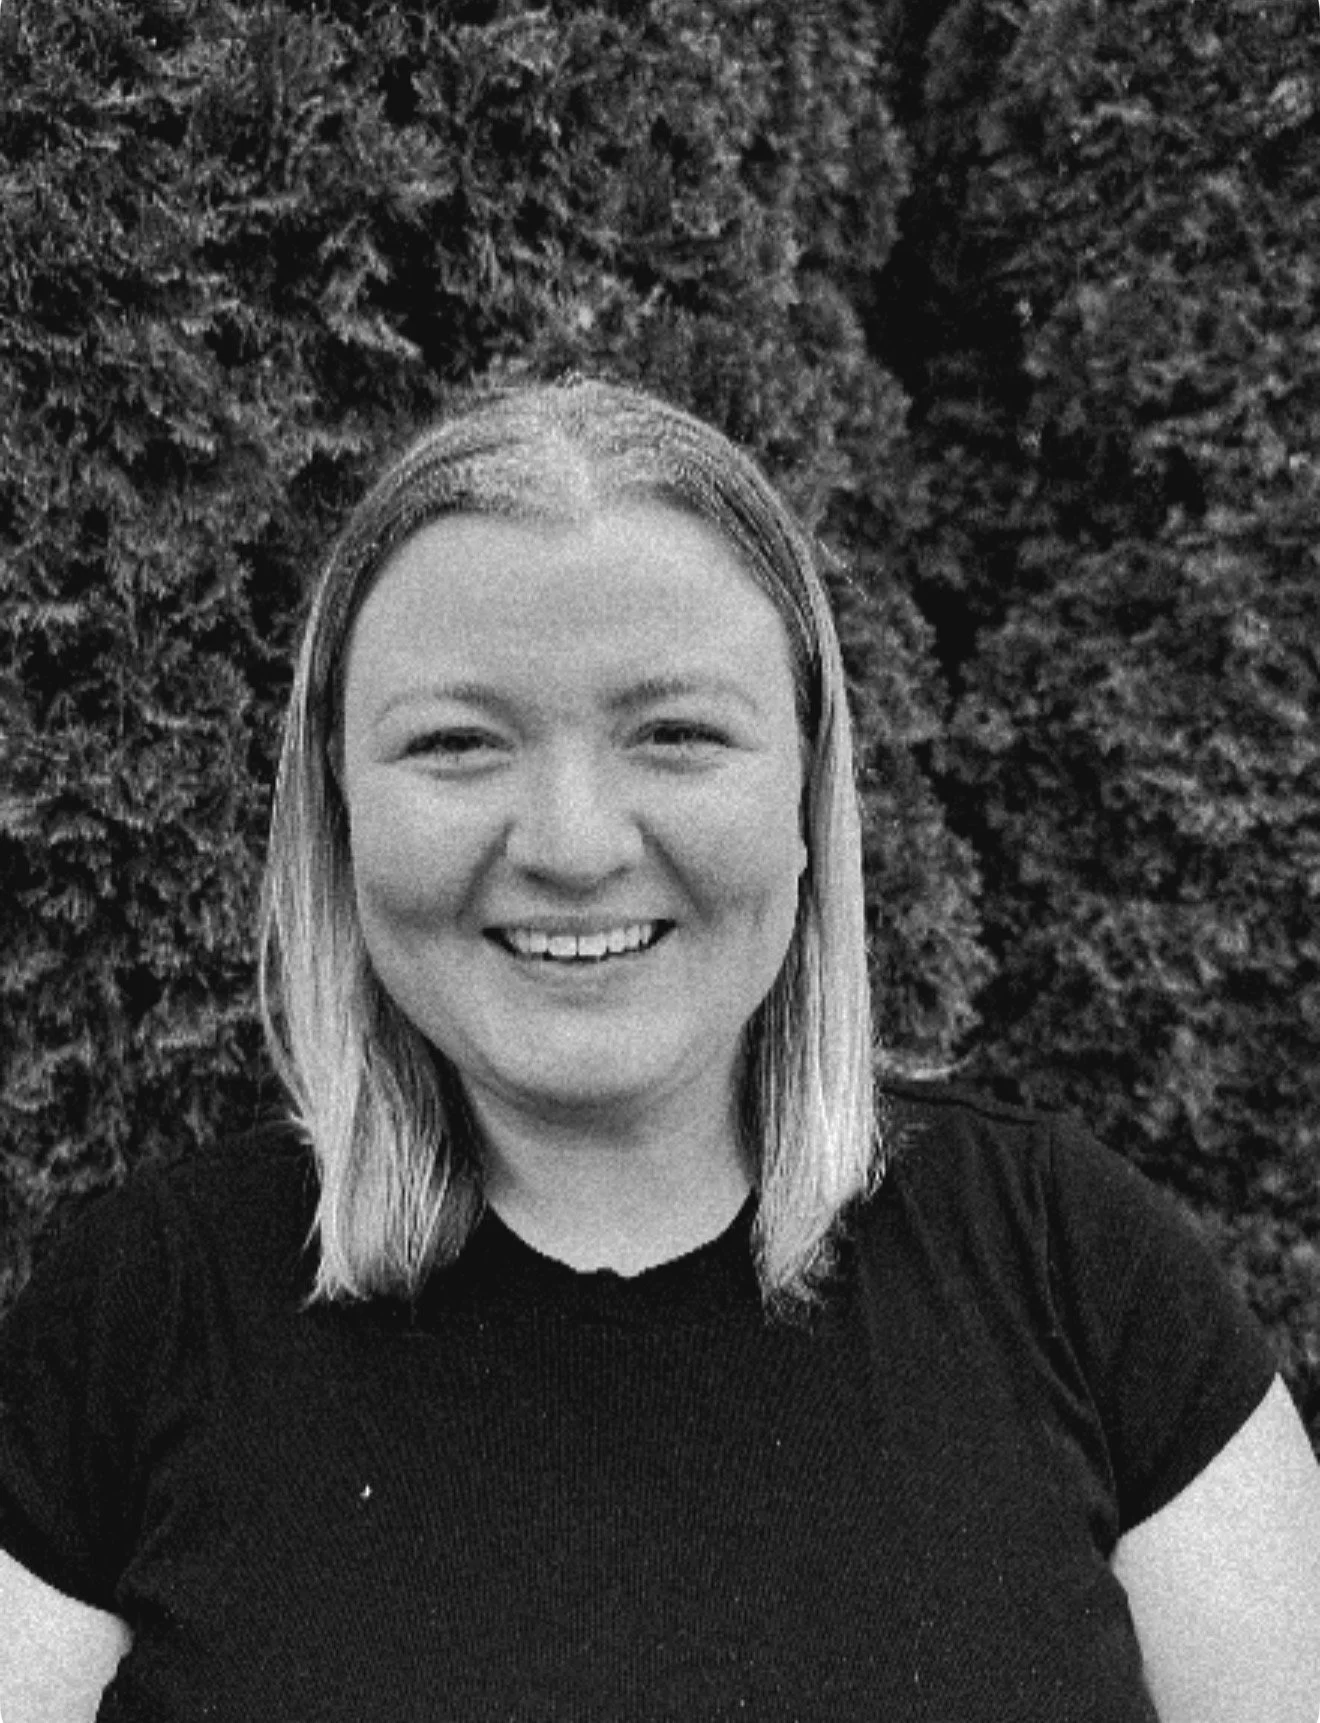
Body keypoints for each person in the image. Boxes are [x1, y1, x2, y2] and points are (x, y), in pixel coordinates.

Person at [1, 377, 1318, 1723]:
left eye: (676, 734)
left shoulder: (1078, 1273)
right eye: (457, 743)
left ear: (807, 796)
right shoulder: (139, 1314)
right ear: (338, 817)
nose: (573, 843)